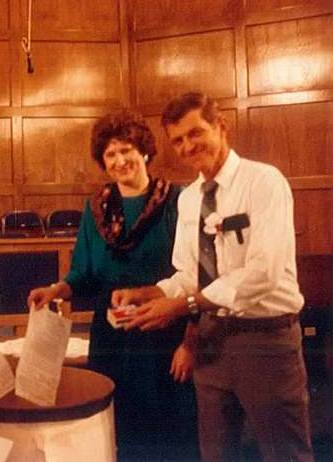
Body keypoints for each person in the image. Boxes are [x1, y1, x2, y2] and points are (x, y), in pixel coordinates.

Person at [113, 92, 312, 462]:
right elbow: (189, 274)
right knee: (217, 454)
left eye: (195, 133)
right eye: (178, 141)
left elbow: (264, 272)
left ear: (221, 127)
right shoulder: (189, 199)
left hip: (265, 341)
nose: (188, 146)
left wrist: (184, 305)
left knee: (285, 454)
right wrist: (147, 293)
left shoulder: (263, 182)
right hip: (211, 340)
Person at [28, 110, 198, 462]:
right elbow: (83, 274)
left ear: (144, 151)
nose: (120, 161)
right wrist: (56, 290)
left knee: (168, 432)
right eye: (111, 154)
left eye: (126, 150)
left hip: (162, 331)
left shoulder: (177, 200)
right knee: (117, 428)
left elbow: (194, 275)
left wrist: (190, 343)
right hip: (113, 338)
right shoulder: (96, 208)